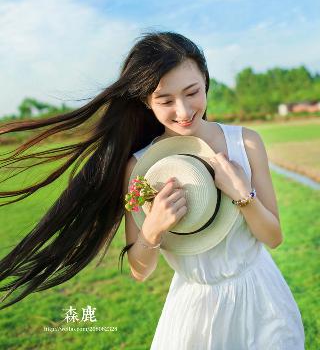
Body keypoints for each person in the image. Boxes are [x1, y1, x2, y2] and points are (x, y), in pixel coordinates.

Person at [0, 31, 305, 349]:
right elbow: (140, 270)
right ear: (146, 101)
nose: (184, 111)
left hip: (261, 300)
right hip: (195, 309)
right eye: (165, 100)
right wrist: (154, 228)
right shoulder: (141, 167)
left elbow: (274, 237)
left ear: (206, 81)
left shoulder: (246, 142)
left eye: (192, 92)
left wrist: (243, 195)